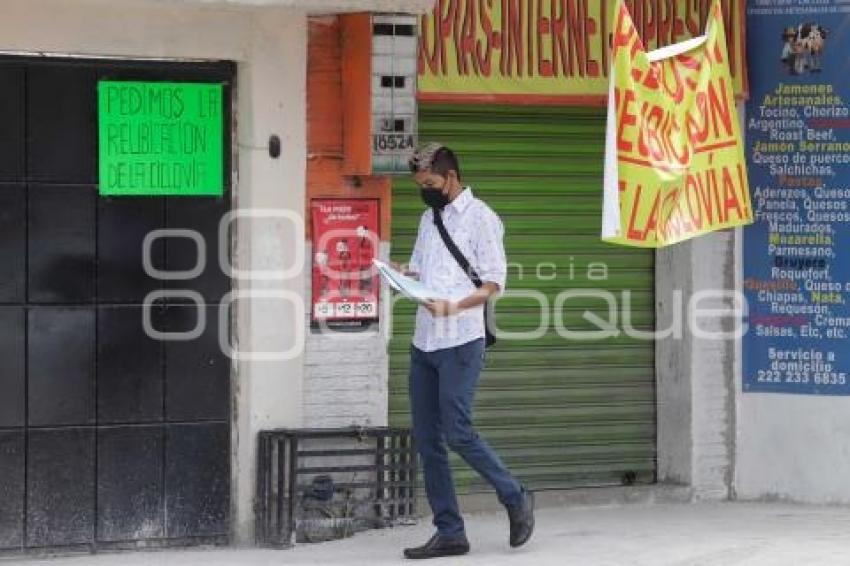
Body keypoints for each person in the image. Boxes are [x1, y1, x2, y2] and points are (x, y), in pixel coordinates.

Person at [399, 142, 534, 559]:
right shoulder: (429, 217)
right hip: (424, 341)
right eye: (420, 185)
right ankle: (450, 532)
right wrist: (402, 273)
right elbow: (422, 267)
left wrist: (453, 306)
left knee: (456, 430)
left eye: (430, 183)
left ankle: (514, 495)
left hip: (461, 339)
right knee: (427, 439)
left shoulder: (481, 218)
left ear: (451, 177)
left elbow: (493, 282)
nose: (426, 190)